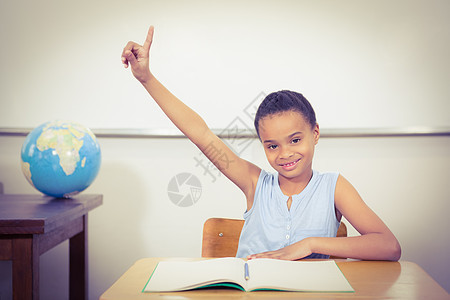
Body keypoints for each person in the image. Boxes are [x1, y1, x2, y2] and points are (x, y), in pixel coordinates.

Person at [121, 26, 401, 261]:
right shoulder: (255, 183)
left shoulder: (334, 187)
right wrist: (146, 78)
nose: (285, 153)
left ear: (315, 133)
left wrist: (311, 244)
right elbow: (203, 135)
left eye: (295, 139)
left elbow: (389, 246)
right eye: (272, 145)